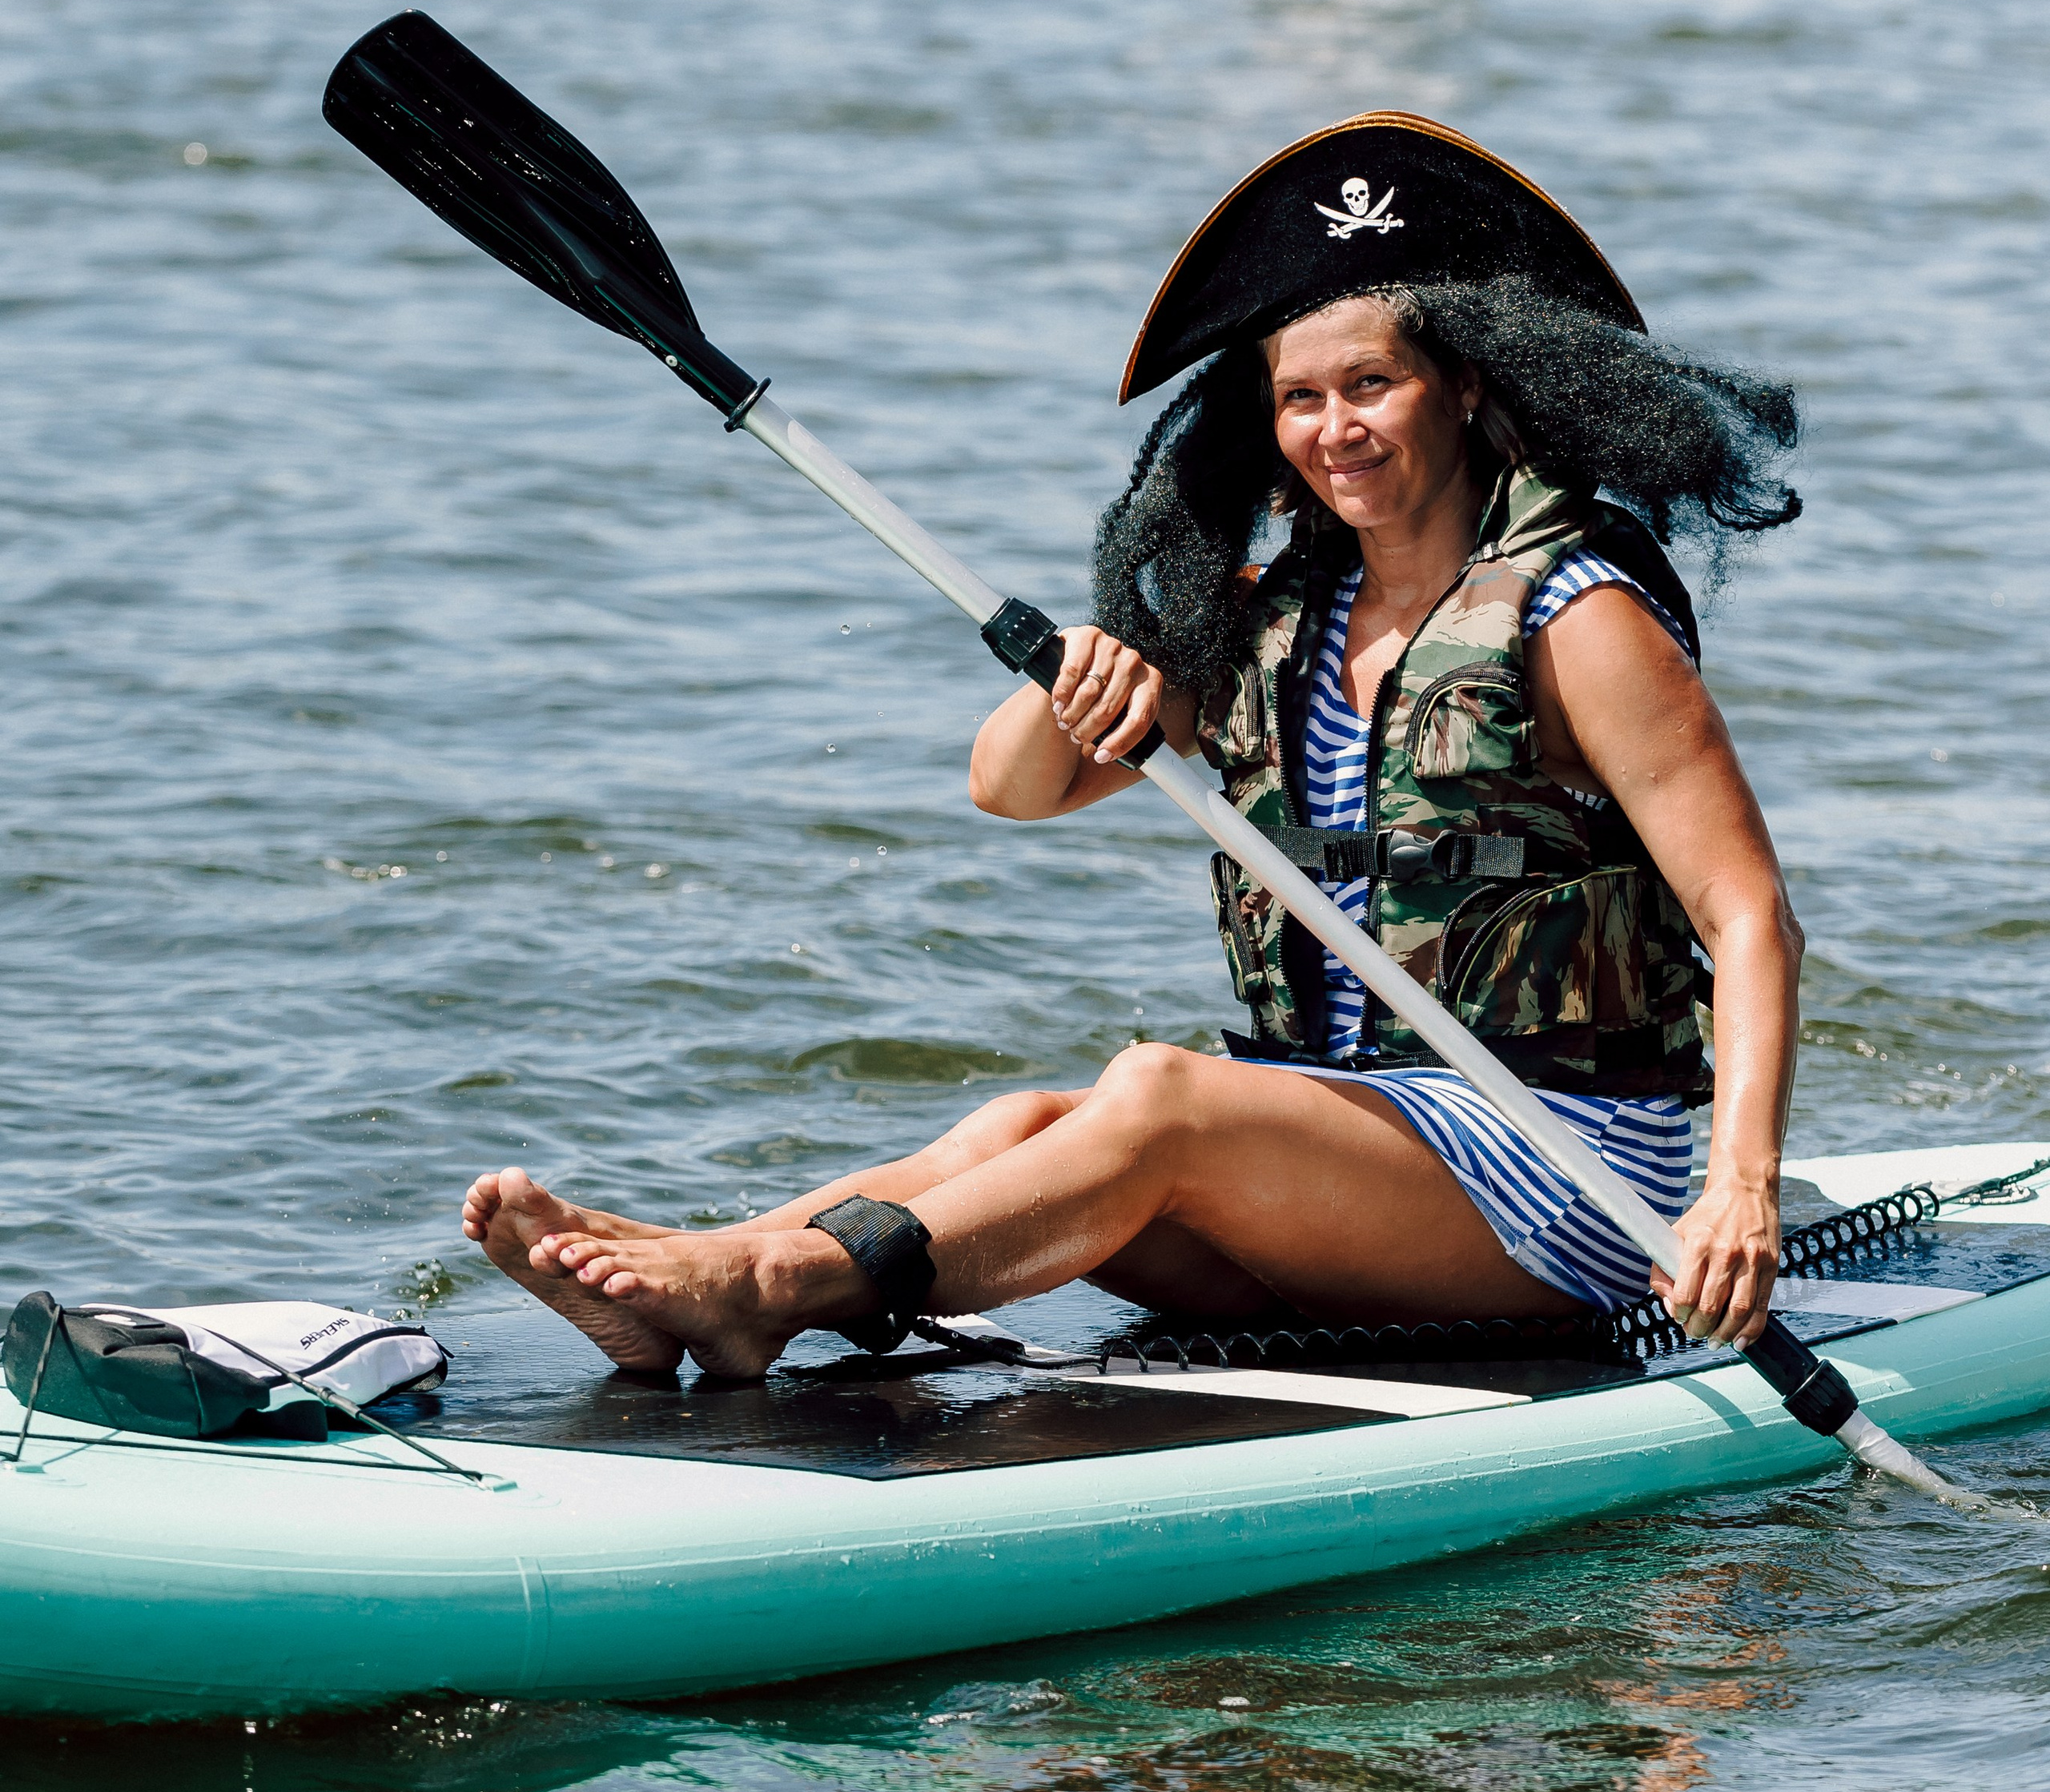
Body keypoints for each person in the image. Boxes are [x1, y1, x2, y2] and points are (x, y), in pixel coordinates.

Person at [464, 118, 1807, 1384]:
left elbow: (1746, 914)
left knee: (1157, 1095)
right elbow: (1012, 788)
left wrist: (1738, 1189)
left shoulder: (1579, 617)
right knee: (1022, 1129)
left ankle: (770, 1289)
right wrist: (1088, 678)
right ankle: (703, 1267)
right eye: (1301, 397)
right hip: (1337, 1151)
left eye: (1373, 386)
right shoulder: (1269, 621)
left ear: (1462, 384)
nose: (1335, 428)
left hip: (1567, 1183)